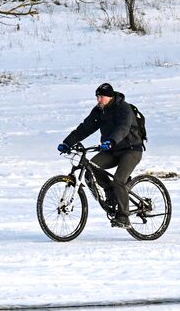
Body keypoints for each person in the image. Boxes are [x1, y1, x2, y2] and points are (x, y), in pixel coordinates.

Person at [58, 83, 144, 227]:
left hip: (131, 150)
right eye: (97, 97)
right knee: (91, 169)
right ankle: (111, 192)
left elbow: (123, 128)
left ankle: (124, 217)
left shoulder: (124, 108)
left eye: (101, 97)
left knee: (119, 180)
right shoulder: (99, 110)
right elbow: (85, 128)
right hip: (112, 150)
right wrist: (67, 142)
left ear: (110, 97)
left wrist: (111, 141)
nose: (98, 100)